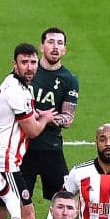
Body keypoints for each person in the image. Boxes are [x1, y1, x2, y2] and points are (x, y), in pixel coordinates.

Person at [0, 42, 57, 219]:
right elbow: (32, 130)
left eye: (33, 62)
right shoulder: (17, 91)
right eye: (24, 62)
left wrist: (36, 114)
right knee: (27, 216)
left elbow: (22, 115)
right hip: (3, 162)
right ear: (15, 63)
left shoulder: (14, 83)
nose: (30, 67)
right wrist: (46, 119)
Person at [20, 27, 79, 202]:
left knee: (65, 201)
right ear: (42, 47)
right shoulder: (28, 71)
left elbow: (68, 118)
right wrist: (38, 117)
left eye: (60, 43)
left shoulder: (69, 80)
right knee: (20, 203)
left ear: (65, 49)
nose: (55, 47)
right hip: (23, 148)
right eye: (51, 42)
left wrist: (46, 118)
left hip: (51, 148)